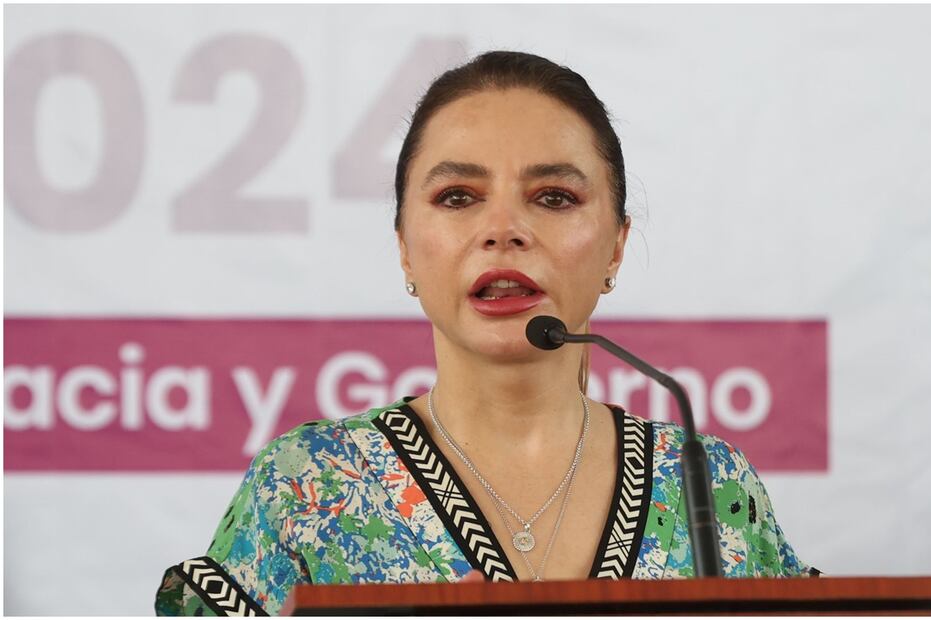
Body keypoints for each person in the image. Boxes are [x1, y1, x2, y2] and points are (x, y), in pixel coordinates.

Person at [155, 50, 815, 617]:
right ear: (406, 248)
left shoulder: (709, 482)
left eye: (554, 196)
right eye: (458, 197)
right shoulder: (306, 484)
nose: (504, 229)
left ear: (616, 246)